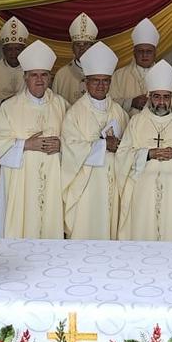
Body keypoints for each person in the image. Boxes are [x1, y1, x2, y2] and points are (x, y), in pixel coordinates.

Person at [0, 40, 69, 238]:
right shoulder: (10, 107)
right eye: (34, 75)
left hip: (53, 184)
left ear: (50, 77)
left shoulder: (62, 105)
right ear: (25, 77)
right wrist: (25, 144)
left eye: (44, 75)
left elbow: (77, 142)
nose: (39, 80)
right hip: (21, 185)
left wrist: (62, 144)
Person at [116, 60, 172, 241]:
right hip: (143, 193)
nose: (161, 102)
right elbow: (122, 155)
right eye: (157, 97)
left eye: (166, 97)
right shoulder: (137, 122)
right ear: (149, 96)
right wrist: (148, 154)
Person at [60, 41, 130, 239]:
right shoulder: (74, 114)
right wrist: (102, 145)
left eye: (105, 80)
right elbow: (70, 149)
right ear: (86, 82)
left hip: (113, 182)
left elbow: (130, 148)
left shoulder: (120, 113)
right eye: (95, 80)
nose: (101, 85)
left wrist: (120, 147)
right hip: (87, 187)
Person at [110, 17, 172, 117]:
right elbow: (109, 104)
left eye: (149, 51)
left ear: (155, 53)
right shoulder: (119, 76)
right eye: (140, 51)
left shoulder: (167, 76)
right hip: (126, 128)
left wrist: (152, 104)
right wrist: (131, 102)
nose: (144, 55)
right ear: (134, 53)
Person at [53, 12, 98, 106]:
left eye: (86, 44)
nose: (82, 48)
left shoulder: (102, 74)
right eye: (78, 44)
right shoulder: (61, 75)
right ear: (72, 48)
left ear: (92, 47)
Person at [0, 16, 29, 115]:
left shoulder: (32, 72)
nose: (14, 53)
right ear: (3, 51)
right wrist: (3, 102)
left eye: (18, 49)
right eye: (9, 49)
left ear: (24, 50)